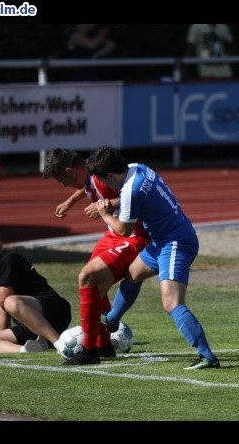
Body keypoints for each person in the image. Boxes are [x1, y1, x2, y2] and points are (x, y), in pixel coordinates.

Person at [87, 146, 220, 370]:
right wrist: (113, 203)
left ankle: (207, 356)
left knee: (171, 303)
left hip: (175, 243)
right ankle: (111, 320)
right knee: (132, 274)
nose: (106, 188)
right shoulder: (138, 168)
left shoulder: (131, 189)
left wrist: (105, 213)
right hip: (164, 239)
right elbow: (135, 200)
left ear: (110, 175)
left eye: (104, 182)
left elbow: (123, 231)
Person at [42, 148, 150, 365]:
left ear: (70, 171)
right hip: (113, 235)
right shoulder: (89, 169)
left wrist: (106, 205)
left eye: (62, 181)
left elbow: (132, 195)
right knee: (91, 286)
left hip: (132, 236)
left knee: (87, 277)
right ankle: (104, 344)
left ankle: (90, 350)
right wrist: (70, 202)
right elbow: (86, 186)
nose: (64, 186)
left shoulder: (102, 175)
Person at [0, 226, 72, 354]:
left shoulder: (9, 259)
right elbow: (1, 307)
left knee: (10, 301)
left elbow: (3, 298)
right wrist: (3, 336)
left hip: (53, 310)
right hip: (29, 325)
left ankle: (59, 343)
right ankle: (25, 350)